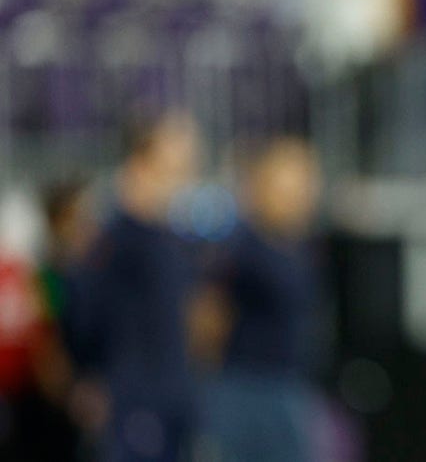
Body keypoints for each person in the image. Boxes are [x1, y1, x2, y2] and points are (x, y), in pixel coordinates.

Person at [66, 110, 202, 462]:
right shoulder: (114, 238)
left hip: (171, 398)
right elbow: (81, 314)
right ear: (142, 161)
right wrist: (90, 378)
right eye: (176, 160)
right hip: (131, 402)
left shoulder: (168, 236)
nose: (185, 172)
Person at [202, 136, 324, 462]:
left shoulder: (300, 245)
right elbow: (208, 317)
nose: (300, 196)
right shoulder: (241, 246)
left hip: (289, 384)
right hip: (246, 387)